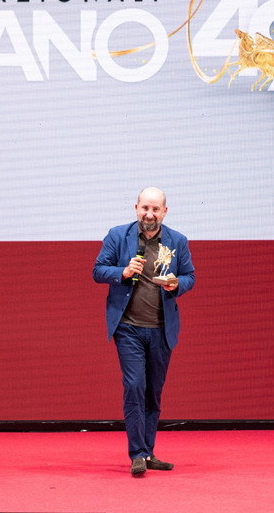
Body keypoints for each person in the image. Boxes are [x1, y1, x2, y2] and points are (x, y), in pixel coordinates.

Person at [93, 188, 195, 476]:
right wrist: (122, 272)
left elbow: (190, 276)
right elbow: (98, 270)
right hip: (128, 328)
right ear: (136, 208)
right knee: (135, 385)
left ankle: (148, 453)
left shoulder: (177, 241)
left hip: (162, 330)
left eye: (155, 209)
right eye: (144, 208)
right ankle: (137, 453)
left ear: (164, 211)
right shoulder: (117, 236)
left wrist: (177, 284)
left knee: (153, 392)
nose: (149, 214)